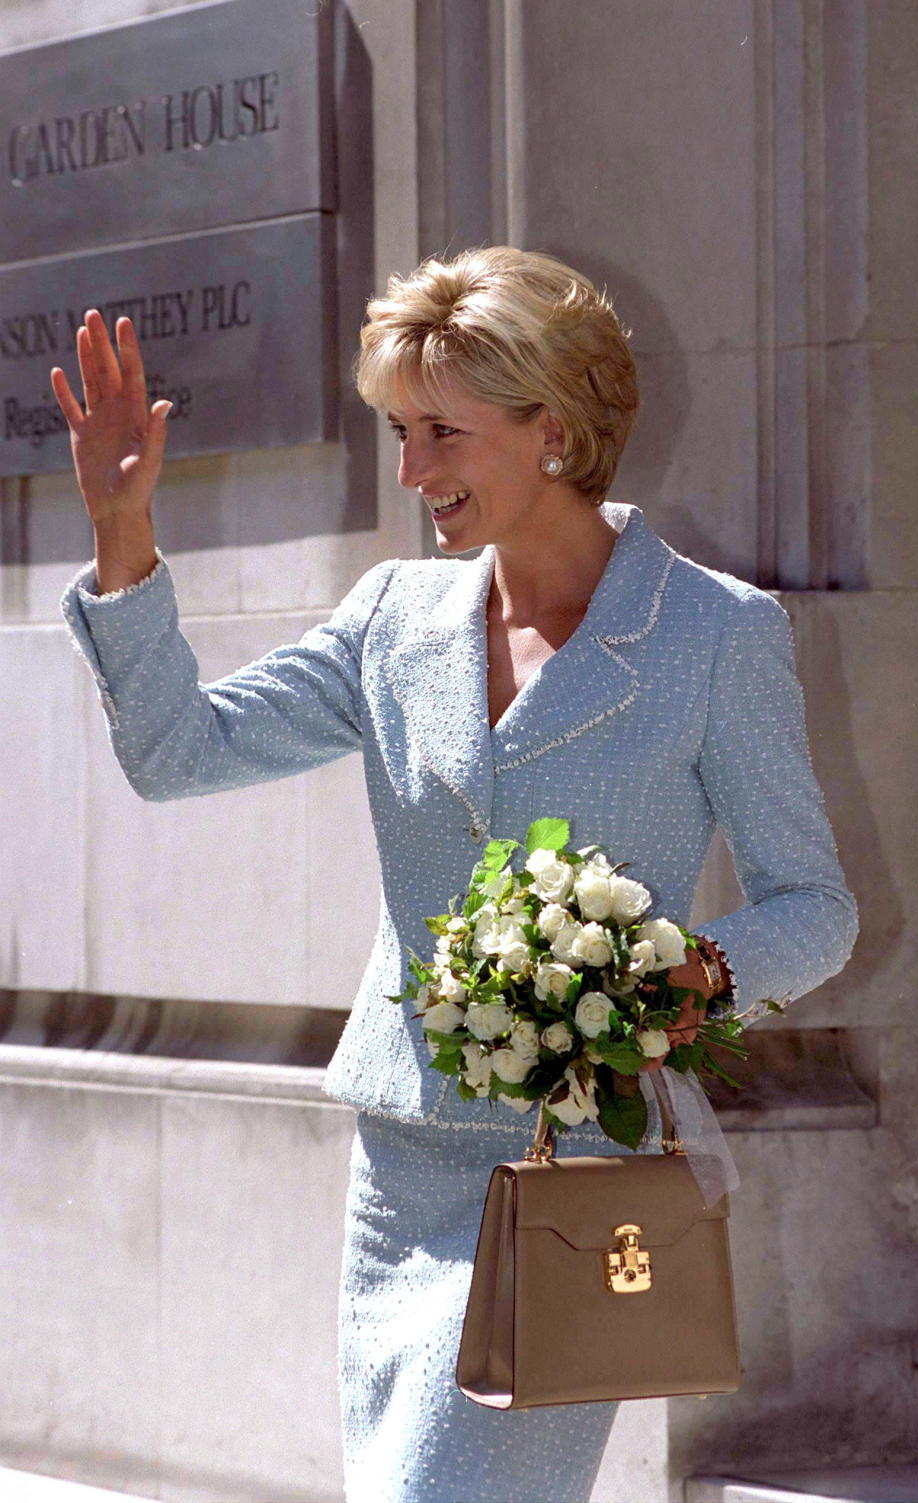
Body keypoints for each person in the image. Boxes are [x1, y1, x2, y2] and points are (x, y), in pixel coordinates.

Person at [53, 245, 858, 1503]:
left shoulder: (715, 633)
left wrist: (676, 984)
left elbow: (815, 905)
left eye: (442, 432)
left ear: (553, 429)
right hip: (404, 1167)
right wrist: (122, 533)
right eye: (396, 430)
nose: (413, 470)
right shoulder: (392, 620)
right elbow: (177, 751)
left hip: (572, 1162)